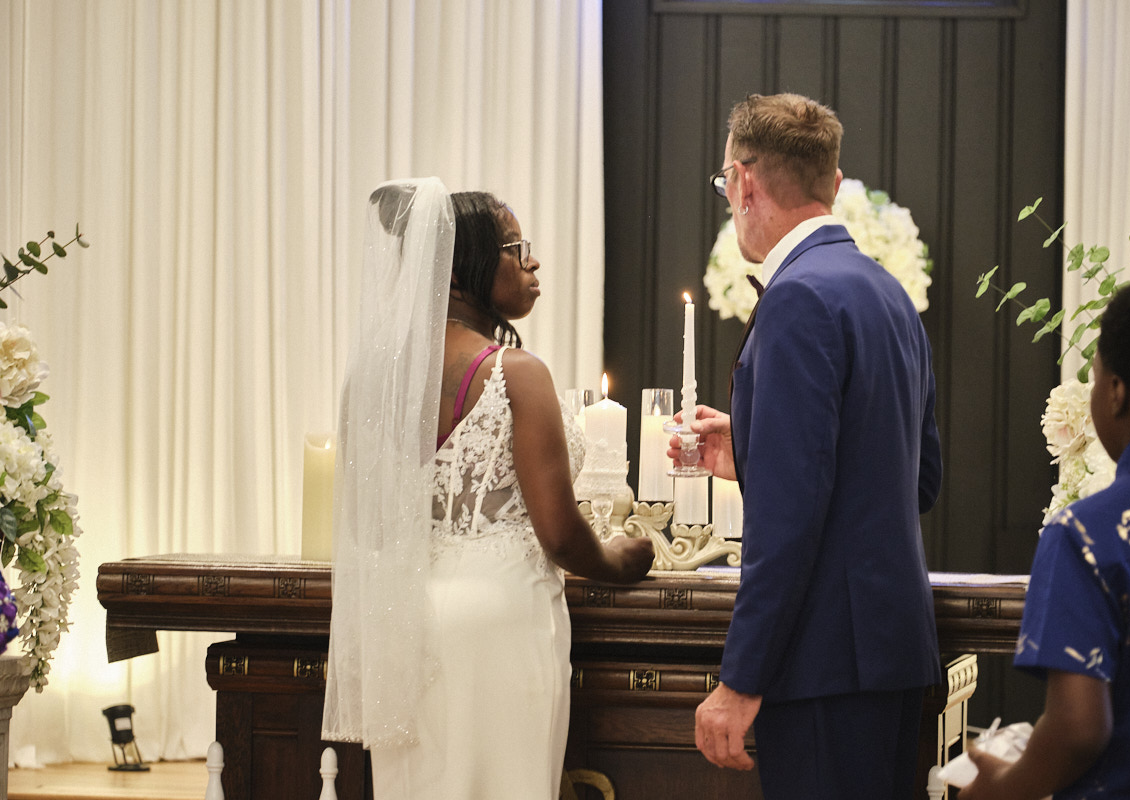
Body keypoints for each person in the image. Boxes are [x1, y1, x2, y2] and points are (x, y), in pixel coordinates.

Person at [321, 178, 653, 800]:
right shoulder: (516, 375)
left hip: (406, 623)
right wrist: (618, 559)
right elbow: (559, 534)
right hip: (501, 622)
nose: (532, 261)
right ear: (456, 274)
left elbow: (369, 526)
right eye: (514, 247)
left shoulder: (372, 383)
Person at [676, 93, 943, 798]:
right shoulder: (888, 293)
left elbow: (789, 522)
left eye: (725, 184)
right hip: (892, 654)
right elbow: (918, 480)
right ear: (834, 179)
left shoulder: (796, 297)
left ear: (743, 182)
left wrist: (740, 680)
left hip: (824, 664)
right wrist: (755, 450)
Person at [959, 274, 1130, 800]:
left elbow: (1078, 729)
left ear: (1115, 392)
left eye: (1094, 379)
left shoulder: (1088, 534)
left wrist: (1003, 789)